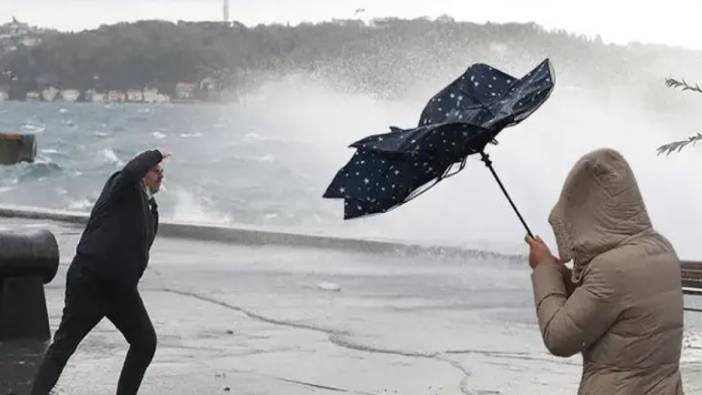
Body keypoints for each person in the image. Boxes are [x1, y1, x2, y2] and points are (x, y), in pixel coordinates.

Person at [525, 148, 684, 394]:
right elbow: (610, 305)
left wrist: (545, 270)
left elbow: (559, 339)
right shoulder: (661, 249)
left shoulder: (612, 269)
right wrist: (560, 273)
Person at [31, 149, 170, 395]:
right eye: (154, 169)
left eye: (162, 171)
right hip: (91, 282)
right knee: (63, 348)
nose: (160, 174)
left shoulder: (150, 208)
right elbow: (130, 171)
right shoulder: (122, 186)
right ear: (142, 172)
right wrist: (156, 153)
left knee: (145, 342)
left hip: (120, 291)